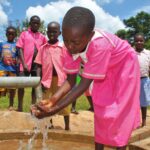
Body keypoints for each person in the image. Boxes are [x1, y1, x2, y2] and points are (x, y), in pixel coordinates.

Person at [32, 7, 140, 150]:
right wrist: (52, 101)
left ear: (90, 36)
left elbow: (83, 84)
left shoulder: (100, 44)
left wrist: (55, 109)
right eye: (66, 40)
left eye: (75, 43)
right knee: (101, 108)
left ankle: (120, 146)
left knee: (118, 113)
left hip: (125, 68)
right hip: (104, 69)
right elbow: (71, 79)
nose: (70, 46)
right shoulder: (70, 45)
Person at [34, 21, 70, 130]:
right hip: (46, 81)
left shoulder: (64, 47)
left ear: (59, 33)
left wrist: (68, 80)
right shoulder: (43, 48)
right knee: (46, 104)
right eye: (49, 32)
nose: (52, 34)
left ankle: (67, 127)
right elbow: (39, 65)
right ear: (46, 32)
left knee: (64, 104)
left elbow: (69, 65)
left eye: (54, 32)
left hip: (61, 81)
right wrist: (39, 80)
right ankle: (50, 125)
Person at [16, 15, 47, 111]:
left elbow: (45, 48)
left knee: (35, 85)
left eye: (38, 23)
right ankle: (20, 106)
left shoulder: (42, 36)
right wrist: (24, 63)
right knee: (21, 85)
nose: (36, 24)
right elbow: (20, 49)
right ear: (30, 23)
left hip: (36, 65)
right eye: (34, 22)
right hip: (25, 63)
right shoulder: (24, 34)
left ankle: (33, 107)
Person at [0, 26, 19, 110]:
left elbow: (19, 56)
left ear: (15, 35)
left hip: (13, 69)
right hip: (2, 68)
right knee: (0, 87)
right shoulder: (2, 44)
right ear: (6, 34)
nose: (10, 35)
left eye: (12, 34)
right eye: (9, 33)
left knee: (12, 88)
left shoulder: (17, 45)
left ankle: (11, 105)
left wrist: (18, 62)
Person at [134, 33, 150, 127]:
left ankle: (143, 120)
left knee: (143, 102)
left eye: (141, 40)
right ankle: (134, 121)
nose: (139, 42)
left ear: (144, 41)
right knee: (133, 102)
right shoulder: (130, 52)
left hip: (144, 80)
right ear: (134, 42)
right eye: (137, 40)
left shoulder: (148, 53)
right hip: (133, 81)